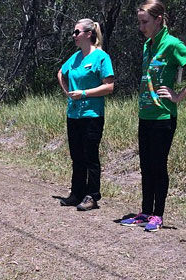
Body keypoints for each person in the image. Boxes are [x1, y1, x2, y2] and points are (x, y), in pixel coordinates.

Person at [120, 0, 186, 231]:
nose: (141, 27)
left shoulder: (171, 44)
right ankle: (145, 211)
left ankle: (158, 215)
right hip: (145, 115)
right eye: (139, 22)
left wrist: (178, 95)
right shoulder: (148, 45)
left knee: (158, 166)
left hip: (163, 117)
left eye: (145, 22)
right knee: (146, 166)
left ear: (158, 20)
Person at [57, 18, 114, 211]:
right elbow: (60, 73)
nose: (73, 36)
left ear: (89, 34)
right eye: (73, 32)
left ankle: (92, 196)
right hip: (73, 115)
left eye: (76, 32)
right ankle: (77, 193)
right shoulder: (75, 58)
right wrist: (67, 92)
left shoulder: (101, 57)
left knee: (90, 156)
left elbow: (109, 86)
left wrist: (83, 93)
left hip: (92, 115)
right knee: (76, 156)